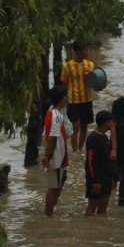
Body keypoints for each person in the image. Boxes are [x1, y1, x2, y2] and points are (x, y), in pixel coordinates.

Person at [60, 41, 94, 154]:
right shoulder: (67, 66)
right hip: (73, 101)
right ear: (78, 51)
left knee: (84, 127)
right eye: (85, 50)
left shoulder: (90, 65)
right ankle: (74, 152)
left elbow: (95, 83)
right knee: (75, 128)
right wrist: (63, 101)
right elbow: (64, 84)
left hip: (87, 100)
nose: (87, 52)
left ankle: (79, 149)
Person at [42, 84, 70, 217]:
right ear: (62, 98)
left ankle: (50, 212)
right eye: (67, 95)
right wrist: (48, 156)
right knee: (53, 187)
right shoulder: (57, 116)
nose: (68, 98)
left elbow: (45, 135)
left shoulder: (51, 113)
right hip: (57, 157)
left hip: (59, 156)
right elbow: (52, 138)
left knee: (60, 181)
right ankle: (48, 216)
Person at [85, 110, 117, 216]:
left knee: (104, 205)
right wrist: (94, 181)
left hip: (106, 177)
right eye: (111, 121)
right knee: (92, 206)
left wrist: (112, 178)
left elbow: (107, 159)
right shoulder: (92, 138)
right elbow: (90, 161)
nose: (112, 123)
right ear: (106, 123)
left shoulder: (105, 137)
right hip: (96, 178)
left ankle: (100, 230)